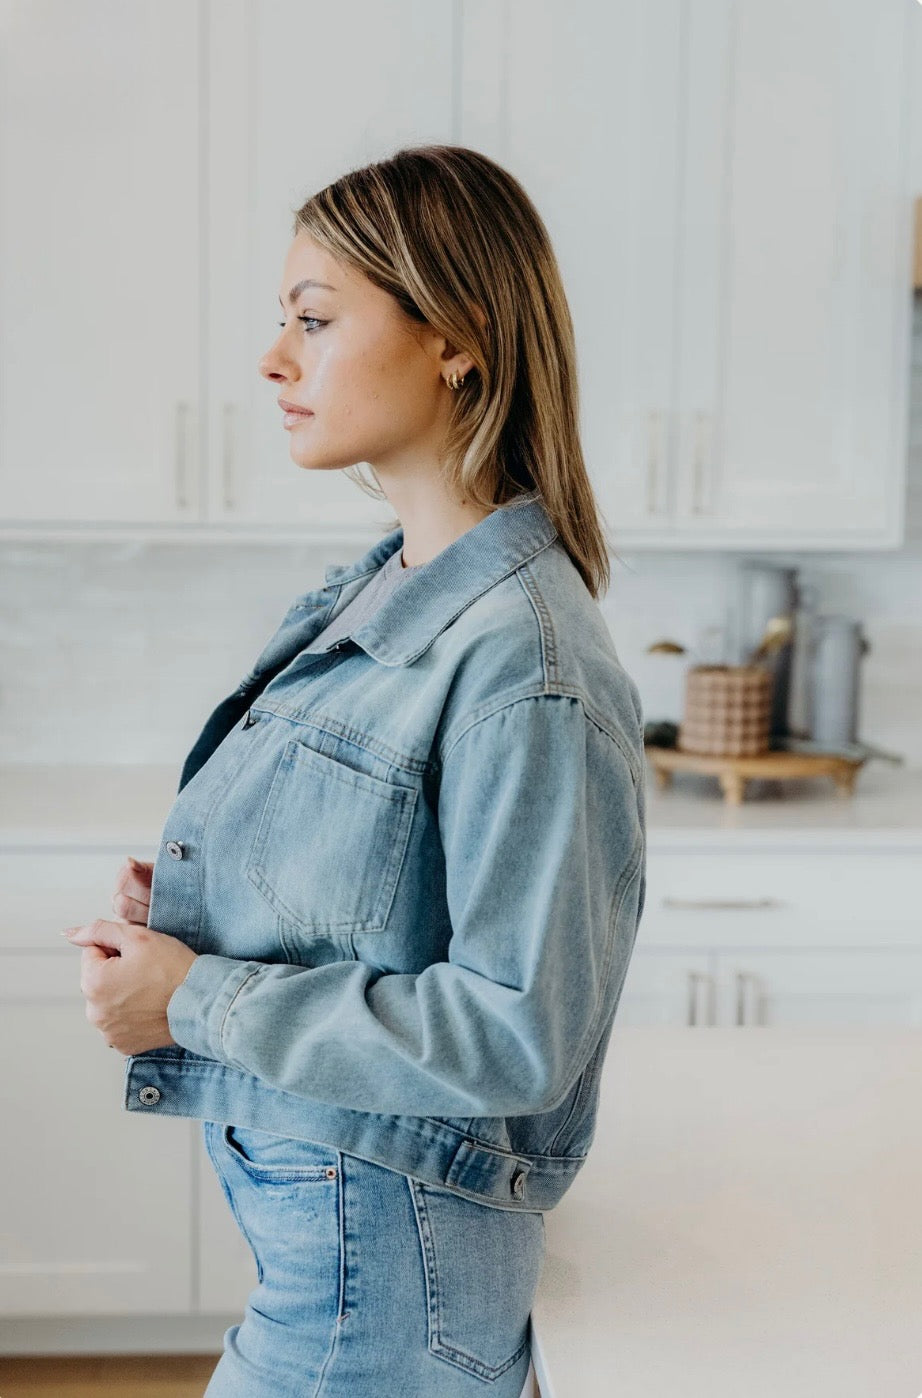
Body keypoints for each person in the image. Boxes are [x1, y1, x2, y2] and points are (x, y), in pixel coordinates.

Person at [64, 144, 647, 1397]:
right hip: (338, 1262)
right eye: (280, 322)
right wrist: (193, 924)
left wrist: (196, 996)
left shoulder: (522, 664)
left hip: (380, 1283)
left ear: (457, 337)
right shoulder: (388, 589)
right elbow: (385, 894)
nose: (274, 359)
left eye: (315, 320)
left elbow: (515, 1030)